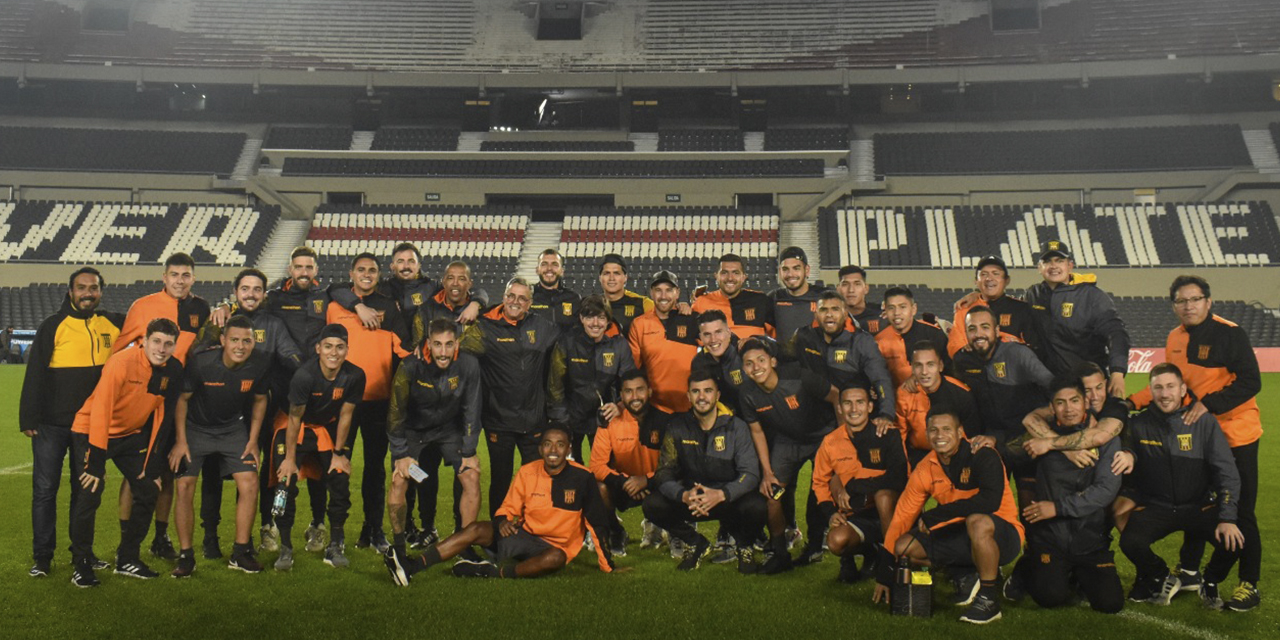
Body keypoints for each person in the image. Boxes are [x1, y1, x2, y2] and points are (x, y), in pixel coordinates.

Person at [1126, 275, 1262, 611]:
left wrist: (1209, 404)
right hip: (1198, 433)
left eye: (1195, 299)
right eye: (1181, 301)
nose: (1189, 306)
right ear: (1174, 305)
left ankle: (1249, 583)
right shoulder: (1175, 336)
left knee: (1241, 511)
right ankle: (1189, 571)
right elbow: (1173, 382)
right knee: (1196, 502)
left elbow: (1251, 381)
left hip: (1236, 433)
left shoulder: (1230, 333)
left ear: (1208, 301)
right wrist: (1132, 401)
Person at [383, 427, 615, 584]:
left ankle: (489, 571)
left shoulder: (583, 478)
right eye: (547, 444)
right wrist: (503, 519)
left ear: (569, 448)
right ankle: (412, 567)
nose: (553, 451)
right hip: (524, 536)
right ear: (540, 447)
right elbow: (508, 507)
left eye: (560, 445)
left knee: (556, 559)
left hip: (553, 549)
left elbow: (597, 524)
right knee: (475, 529)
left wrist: (608, 567)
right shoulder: (527, 471)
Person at [874, 410, 1025, 625]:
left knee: (977, 521)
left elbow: (989, 502)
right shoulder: (925, 467)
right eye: (933, 430)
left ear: (960, 432)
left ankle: (989, 599)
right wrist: (884, 572)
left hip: (1003, 535)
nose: (939, 435)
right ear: (926, 434)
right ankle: (966, 573)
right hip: (961, 533)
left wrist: (937, 514)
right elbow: (902, 517)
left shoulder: (982, 453)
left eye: (946, 429)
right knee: (905, 547)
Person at [20, 267, 123, 578]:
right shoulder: (53, 326)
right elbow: (35, 372)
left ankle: (84, 553)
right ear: (70, 292)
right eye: (81, 287)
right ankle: (43, 557)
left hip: (90, 427)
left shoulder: (114, 323)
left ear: (101, 291)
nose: (88, 293)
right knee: (45, 490)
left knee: (85, 493)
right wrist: (28, 417)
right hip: (51, 425)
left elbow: (153, 319)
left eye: (93, 287)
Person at [193, 268, 302, 560]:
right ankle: (210, 537)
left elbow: (290, 355)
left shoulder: (273, 325)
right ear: (236, 291)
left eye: (257, 289)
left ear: (264, 294)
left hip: (258, 410)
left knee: (256, 472)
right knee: (213, 475)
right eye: (245, 289)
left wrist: (308, 373)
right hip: (220, 410)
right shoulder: (219, 319)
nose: (251, 294)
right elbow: (197, 355)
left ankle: (261, 529)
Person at [68, 318, 184, 586]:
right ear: (144, 339)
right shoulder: (121, 362)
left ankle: (127, 558)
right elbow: (102, 409)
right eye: (156, 341)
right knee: (90, 493)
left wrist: (152, 464)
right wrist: (96, 461)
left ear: (175, 346)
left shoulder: (173, 370)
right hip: (91, 431)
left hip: (130, 436)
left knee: (147, 490)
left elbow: (163, 416)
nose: (161, 348)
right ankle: (82, 562)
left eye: (168, 344)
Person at [1118, 363, 1244, 609]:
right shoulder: (1138, 424)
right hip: (1158, 507)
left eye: (1170, 387)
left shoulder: (1203, 422)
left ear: (1182, 388)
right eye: (1158, 388)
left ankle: (1209, 579)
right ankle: (1163, 575)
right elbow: (1127, 450)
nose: (1164, 394)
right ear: (1151, 391)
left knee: (1236, 540)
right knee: (1130, 542)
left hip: (1199, 507)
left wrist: (1227, 517)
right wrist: (1129, 453)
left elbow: (1226, 470)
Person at [114, 252, 211, 561]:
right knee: (135, 472)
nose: (179, 280)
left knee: (168, 471)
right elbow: (120, 349)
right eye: (174, 275)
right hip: (142, 400)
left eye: (185, 275)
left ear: (193, 278)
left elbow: (201, 350)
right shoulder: (142, 306)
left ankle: (159, 537)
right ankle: (126, 541)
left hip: (176, 400)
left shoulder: (201, 309)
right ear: (164, 277)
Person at [168, 315, 271, 577]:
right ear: (223, 340)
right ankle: (186, 556)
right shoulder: (201, 363)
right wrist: (180, 441)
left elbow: (260, 400)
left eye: (246, 341)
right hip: (196, 429)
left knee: (249, 482)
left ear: (253, 342)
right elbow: (182, 400)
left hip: (232, 430)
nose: (240, 346)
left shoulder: (259, 363)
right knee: (184, 485)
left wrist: (253, 440)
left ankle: (240, 551)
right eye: (234, 339)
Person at [1011, 375, 1124, 614]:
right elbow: (1010, 449)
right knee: (1049, 597)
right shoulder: (1039, 436)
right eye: (1060, 403)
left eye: (1074, 401)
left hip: (1090, 540)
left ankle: (1076, 574)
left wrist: (1057, 507)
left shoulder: (1105, 438)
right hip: (1051, 538)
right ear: (1051, 408)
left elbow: (1105, 491)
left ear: (1085, 403)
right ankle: (1028, 566)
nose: (1068, 408)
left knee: (1110, 604)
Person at [642, 371, 769, 574]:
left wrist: (721, 494)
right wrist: (684, 495)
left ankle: (744, 546)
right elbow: (664, 473)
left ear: (717, 395)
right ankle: (695, 542)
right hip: (693, 501)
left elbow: (750, 474)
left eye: (708, 391)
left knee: (758, 506)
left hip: (726, 499)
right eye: (696, 391)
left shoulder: (736, 427)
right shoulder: (677, 426)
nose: (702, 397)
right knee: (652, 504)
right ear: (688, 396)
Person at [326, 253, 411, 553]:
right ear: (351, 273)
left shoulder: (388, 306)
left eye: (372, 270)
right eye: (361, 269)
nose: (366, 274)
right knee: (339, 465)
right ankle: (336, 531)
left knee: (375, 469)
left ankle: (373, 530)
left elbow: (405, 351)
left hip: (378, 401)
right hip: (342, 401)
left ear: (379, 274)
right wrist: (357, 305)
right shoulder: (335, 305)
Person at [384, 318, 483, 571]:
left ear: (456, 343)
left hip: (449, 430)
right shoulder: (410, 366)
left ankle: (464, 544)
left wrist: (469, 451)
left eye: (449, 344)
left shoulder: (469, 365)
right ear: (428, 343)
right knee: (399, 479)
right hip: (414, 431)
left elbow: (472, 408)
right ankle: (399, 548)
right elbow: (396, 412)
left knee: (471, 476)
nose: (443, 351)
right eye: (437, 344)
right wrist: (400, 453)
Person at [461, 277, 562, 518]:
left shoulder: (543, 327)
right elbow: (456, 351)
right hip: (499, 421)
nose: (515, 302)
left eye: (522, 298)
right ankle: (498, 534)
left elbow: (566, 348)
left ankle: (532, 529)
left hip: (534, 421)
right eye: (511, 296)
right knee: (501, 481)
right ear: (504, 297)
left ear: (530, 303)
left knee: (536, 481)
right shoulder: (485, 326)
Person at [736, 337, 840, 572]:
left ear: (773, 361)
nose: (756, 367)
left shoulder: (797, 376)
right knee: (774, 494)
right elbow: (757, 430)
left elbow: (835, 395)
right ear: (743, 368)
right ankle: (780, 553)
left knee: (820, 489)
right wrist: (767, 473)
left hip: (821, 437)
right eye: (749, 363)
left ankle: (814, 546)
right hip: (787, 440)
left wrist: (841, 439)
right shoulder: (747, 393)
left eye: (761, 360)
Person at [257, 246, 332, 553]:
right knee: (276, 468)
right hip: (283, 400)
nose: (303, 272)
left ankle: (317, 524)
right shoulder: (273, 299)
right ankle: (270, 523)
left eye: (309, 267)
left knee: (319, 468)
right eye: (298, 267)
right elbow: (247, 312)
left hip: (319, 399)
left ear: (316, 270)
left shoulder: (327, 297)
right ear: (290, 270)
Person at [272, 324, 364, 571]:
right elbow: (294, 418)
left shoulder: (355, 375)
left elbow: (346, 416)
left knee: (339, 478)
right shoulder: (305, 375)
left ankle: (335, 544)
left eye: (340, 347)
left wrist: (338, 454)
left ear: (347, 350)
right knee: (284, 482)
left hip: (324, 428)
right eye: (328, 347)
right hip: (294, 427)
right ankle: (285, 547)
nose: (334, 353)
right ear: (318, 349)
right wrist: (290, 459)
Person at [407, 260, 485, 545]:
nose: (455, 283)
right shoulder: (427, 309)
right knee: (423, 474)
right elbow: (419, 348)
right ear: (443, 281)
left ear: (469, 284)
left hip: (458, 410)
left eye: (461, 278)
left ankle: (460, 530)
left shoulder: (479, 310)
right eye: (450, 278)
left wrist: (477, 304)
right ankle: (427, 528)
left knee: (463, 472)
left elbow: (480, 345)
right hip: (426, 413)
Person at [813, 385, 908, 583]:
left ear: (870, 407)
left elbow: (899, 477)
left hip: (892, 510)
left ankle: (890, 562)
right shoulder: (830, 442)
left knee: (883, 496)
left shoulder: (887, 434)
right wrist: (831, 513)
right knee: (835, 541)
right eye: (847, 403)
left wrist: (858, 487)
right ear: (840, 408)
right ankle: (870, 551)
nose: (854, 409)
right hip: (858, 513)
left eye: (860, 402)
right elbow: (819, 483)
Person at [1024, 241, 1130, 393]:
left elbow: (1117, 333)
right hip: (1050, 388)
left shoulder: (1092, 296)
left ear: (1070, 265)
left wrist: (1118, 372)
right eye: (1047, 261)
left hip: (1087, 387)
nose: (1053, 266)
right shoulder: (1032, 295)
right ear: (1039, 268)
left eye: (1059, 261)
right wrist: (979, 298)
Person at [589, 370, 674, 555]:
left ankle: (676, 532)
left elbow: (676, 465)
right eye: (628, 391)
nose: (635, 397)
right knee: (597, 488)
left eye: (640, 390)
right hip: (624, 484)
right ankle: (616, 532)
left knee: (681, 482)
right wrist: (625, 482)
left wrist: (646, 480)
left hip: (658, 484)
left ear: (650, 391)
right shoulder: (610, 422)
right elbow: (596, 466)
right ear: (621, 395)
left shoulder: (667, 419)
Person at [548, 294, 637, 465]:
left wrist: (619, 405)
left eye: (601, 317)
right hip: (571, 420)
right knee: (572, 474)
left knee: (606, 471)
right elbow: (555, 386)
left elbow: (630, 382)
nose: (595, 323)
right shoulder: (567, 343)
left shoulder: (618, 345)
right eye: (590, 317)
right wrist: (562, 423)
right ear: (581, 318)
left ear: (608, 320)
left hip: (604, 420)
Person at [785, 291, 896, 423]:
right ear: (816, 314)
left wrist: (886, 414)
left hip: (851, 418)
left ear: (844, 314)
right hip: (812, 420)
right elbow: (784, 358)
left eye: (835, 309)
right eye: (823, 310)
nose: (829, 314)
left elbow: (881, 380)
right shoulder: (803, 336)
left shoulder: (861, 341)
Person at [328, 242, 484, 335]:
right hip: (389, 347)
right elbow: (335, 289)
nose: (406, 266)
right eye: (401, 261)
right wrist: (359, 306)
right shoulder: (380, 286)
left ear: (419, 266)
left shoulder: (432, 286)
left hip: (421, 348)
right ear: (392, 266)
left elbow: (473, 289)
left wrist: (476, 303)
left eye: (411, 261)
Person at [896, 342, 982, 466]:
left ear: (940, 366)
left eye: (930, 365)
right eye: (918, 365)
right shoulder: (904, 393)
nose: (924, 372)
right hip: (918, 456)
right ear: (912, 368)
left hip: (955, 458)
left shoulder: (962, 394)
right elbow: (900, 438)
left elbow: (971, 438)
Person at [628, 270, 700, 414]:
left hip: (692, 406)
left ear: (677, 293)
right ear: (651, 293)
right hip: (655, 408)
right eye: (658, 290)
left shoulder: (692, 319)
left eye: (669, 290)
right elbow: (633, 368)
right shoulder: (639, 324)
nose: (663, 296)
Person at [948, 256, 1043, 358]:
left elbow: (1034, 348)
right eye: (984, 274)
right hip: (975, 369)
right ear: (976, 281)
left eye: (996, 273)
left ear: (1007, 280)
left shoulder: (1022, 309)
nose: (989, 278)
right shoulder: (964, 309)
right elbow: (955, 348)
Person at [876, 287, 950, 389]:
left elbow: (949, 373)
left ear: (914, 309)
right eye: (891, 308)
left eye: (902, 307)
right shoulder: (879, 341)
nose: (897, 313)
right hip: (896, 400)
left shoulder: (934, 335)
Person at [692, 252, 774, 341]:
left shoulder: (760, 300)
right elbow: (694, 339)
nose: (730, 278)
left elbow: (778, 335)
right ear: (716, 276)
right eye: (724, 273)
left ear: (743, 277)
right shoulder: (701, 302)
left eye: (736, 273)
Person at [690, 310, 749, 415]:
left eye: (718, 332)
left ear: (728, 332)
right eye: (707, 334)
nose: (713, 339)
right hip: (724, 424)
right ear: (701, 337)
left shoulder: (744, 352)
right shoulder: (698, 363)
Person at [769, 246, 827, 344]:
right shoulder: (774, 298)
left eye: (796, 268)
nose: (790, 274)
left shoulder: (824, 297)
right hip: (783, 359)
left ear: (807, 270)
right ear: (780, 272)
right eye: (785, 269)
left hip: (817, 358)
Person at [598, 254, 653, 336]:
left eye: (616, 273)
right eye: (606, 273)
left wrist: (679, 307)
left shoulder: (643, 304)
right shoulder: (591, 304)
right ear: (600, 278)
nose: (611, 278)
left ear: (625, 277)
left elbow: (667, 315)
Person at [529, 248, 581, 330]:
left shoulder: (573, 298)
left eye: (555, 264)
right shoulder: (528, 296)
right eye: (544, 264)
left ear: (562, 271)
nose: (549, 268)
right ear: (537, 270)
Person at [835, 265, 882, 334]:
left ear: (866, 288)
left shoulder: (881, 314)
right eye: (845, 284)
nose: (851, 290)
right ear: (838, 289)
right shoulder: (832, 317)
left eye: (857, 284)